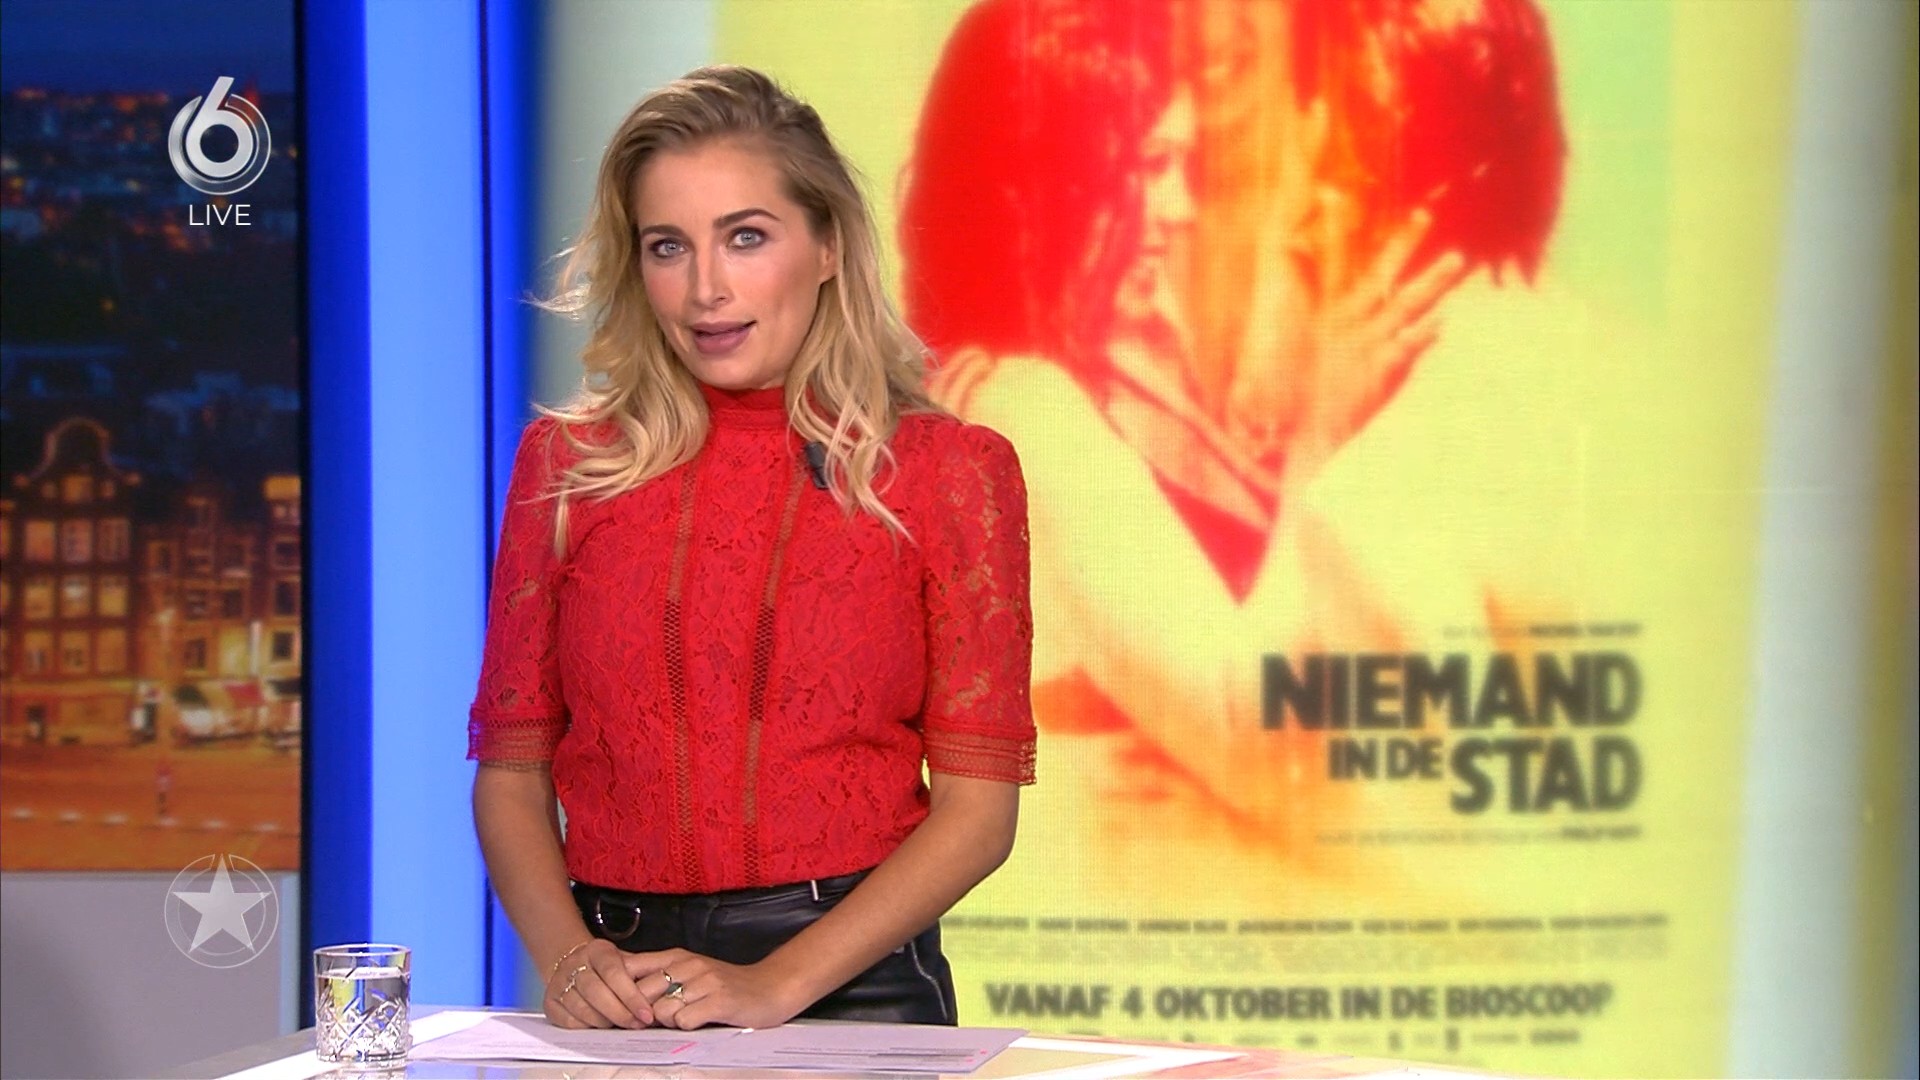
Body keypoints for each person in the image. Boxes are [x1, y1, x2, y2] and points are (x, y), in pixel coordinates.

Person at [901, 0, 1562, 878]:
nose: (1181, 207)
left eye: (1182, 162)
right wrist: (1321, 451)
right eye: (1145, 169)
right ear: (1037, 195)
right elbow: (1269, 743)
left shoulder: (1160, 394)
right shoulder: (1027, 416)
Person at [468, 66, 1035, 1032]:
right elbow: (511, 774)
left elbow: (978, 816)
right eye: (668, 246)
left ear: (827, 245)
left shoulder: (948, 471)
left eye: (746, 237)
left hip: (855, 993)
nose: (706, 289)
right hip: (619, 993)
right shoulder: (567, 465)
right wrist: (569, 961)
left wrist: (775, 984)